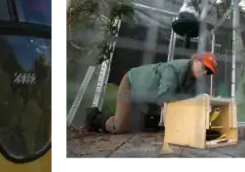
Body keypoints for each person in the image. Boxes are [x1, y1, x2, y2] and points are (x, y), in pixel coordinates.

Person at [84, 52, 218, 134]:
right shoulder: (175, 69)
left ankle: (126, 117)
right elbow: (163, 98)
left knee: (145, 128)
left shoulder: (193, 80)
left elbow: (191, 101)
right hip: (132, 85)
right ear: (196, 60)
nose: (205, 72)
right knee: (118, 128)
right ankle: (94, 116)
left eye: (209, 72)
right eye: (204, 67)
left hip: (147, 101)